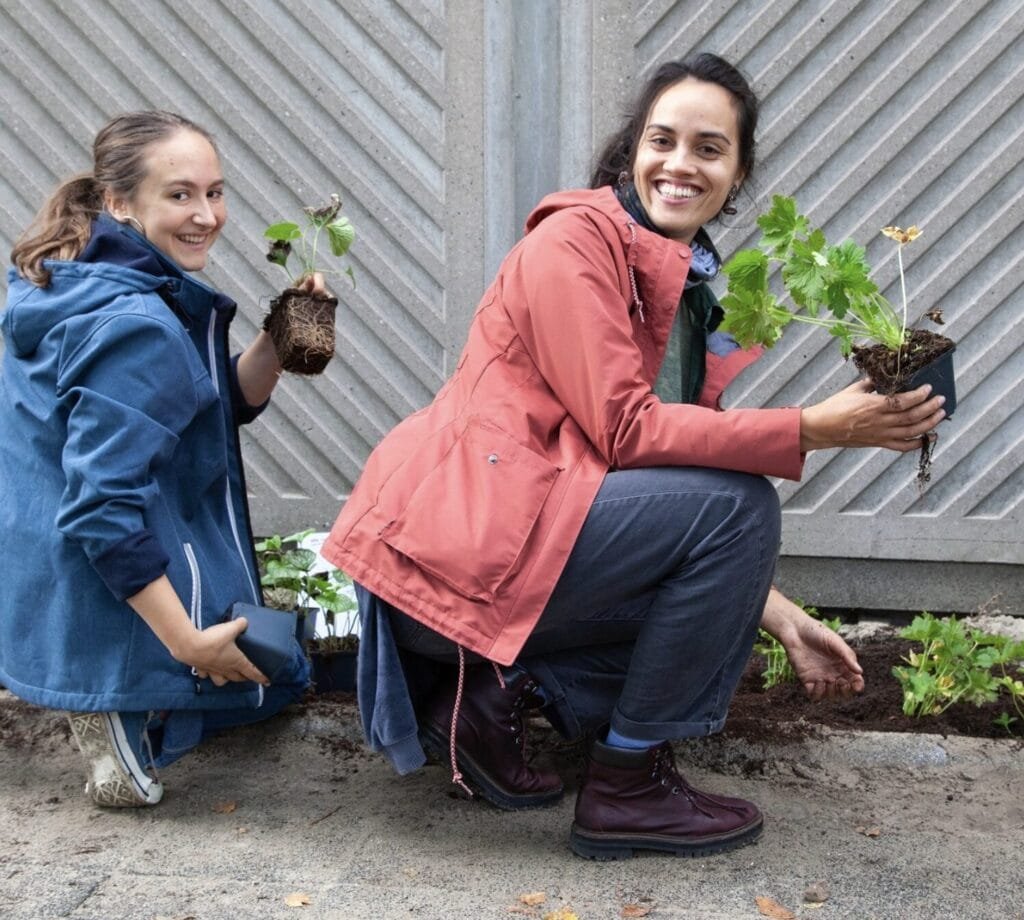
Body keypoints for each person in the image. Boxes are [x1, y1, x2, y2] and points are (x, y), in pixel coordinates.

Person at [320, 54, 946, 859]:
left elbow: (666, 510)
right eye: (663, 140)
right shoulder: (574, 243)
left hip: (512, 556)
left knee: (717, 560)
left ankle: (494, 695)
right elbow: (626, 433)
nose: (681, 164)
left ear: (738, 170)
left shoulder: (682, 288)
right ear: (630, 151)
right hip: (452, 566)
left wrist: (784, 620)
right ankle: (628, 787)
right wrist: (812, 428)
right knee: (741, 503)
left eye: (709, 149)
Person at [0, 111, 327, 807]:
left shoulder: (74, 277)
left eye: (215, 192)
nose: (207, 215)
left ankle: (98, 674)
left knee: (275, 681)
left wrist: (276, 341)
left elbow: (203, 407)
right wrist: (188, 643)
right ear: (121, 203)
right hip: (103, 566)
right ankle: (118, 700)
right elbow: (101, 508)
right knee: (278, 679)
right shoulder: (137, 323)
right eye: (180, 195)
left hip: (41, 562)